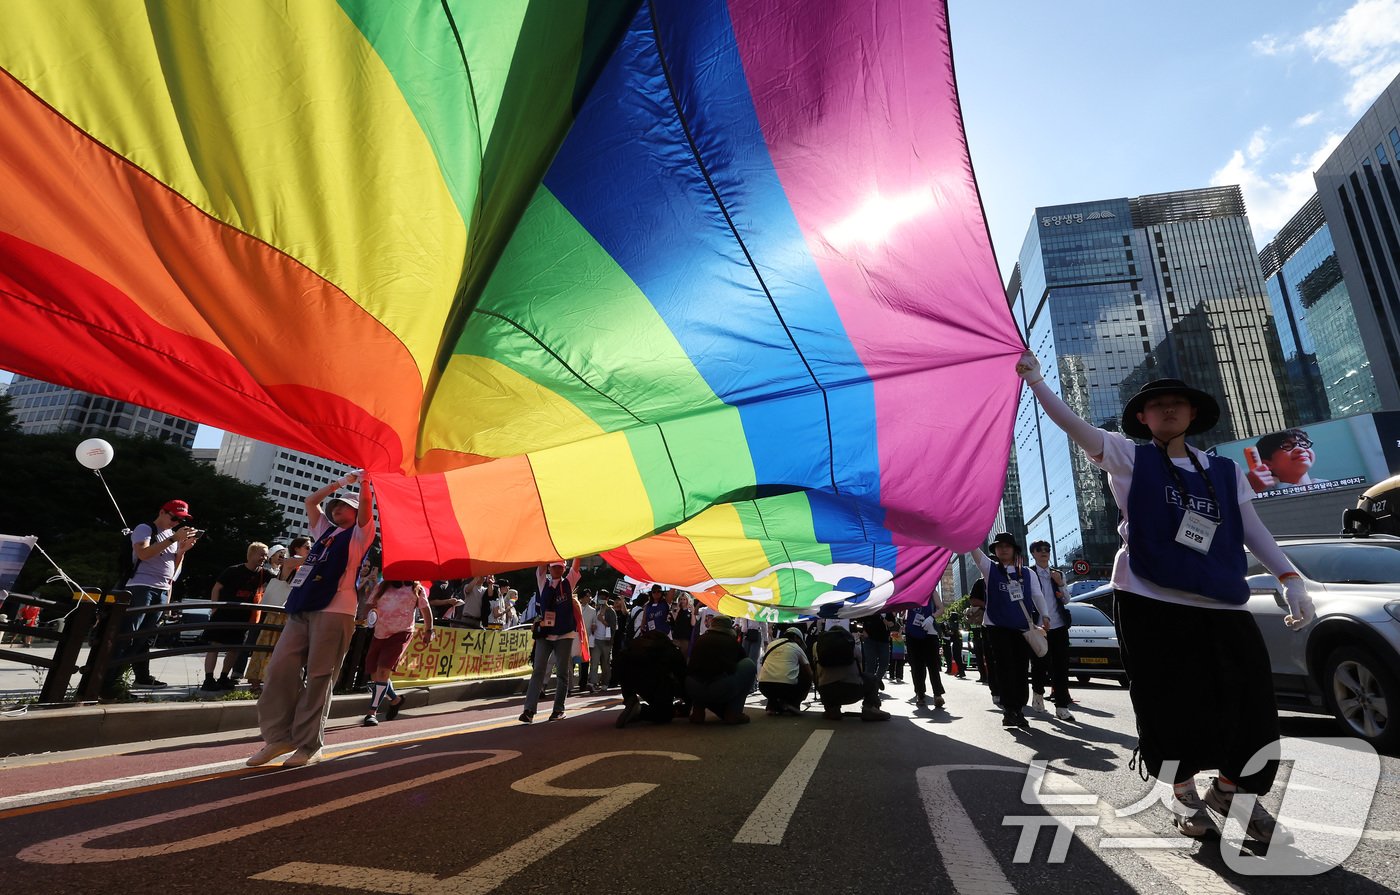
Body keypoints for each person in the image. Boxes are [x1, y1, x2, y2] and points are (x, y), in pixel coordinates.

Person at [1017, 351, 1313, 844]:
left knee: (1250, 702)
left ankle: (1231, 790)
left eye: (1178, 404)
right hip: (1150, 598)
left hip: (1221, 601)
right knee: (1170, 702)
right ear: (1143, 417)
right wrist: (1038, 383)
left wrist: (1289, 576)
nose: (1169, 410)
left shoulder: (1223, 471)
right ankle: (1183, 794)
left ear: (1193, 414)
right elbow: (1075, 426)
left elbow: (1250, 528)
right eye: (1158, 406)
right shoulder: (1127, 456)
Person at [246, 471, 374, 768]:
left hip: (336, 609)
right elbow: (311, 501)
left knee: (319, 677)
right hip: (302, 607)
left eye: (344, 506)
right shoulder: (325, 534)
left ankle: (308, 744)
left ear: (357, 511)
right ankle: (279, 737)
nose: (336, 508)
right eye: (335, 506)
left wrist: (365, 482)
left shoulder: (359, 535)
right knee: (278, 669)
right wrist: (341, 484)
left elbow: (367, 513)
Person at [104, 499, 201, 694]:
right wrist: (174, 540)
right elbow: (143, 554)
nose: (176, 522)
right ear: (162, 512)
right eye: (174, 517)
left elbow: (171, 571)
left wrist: (182, 550)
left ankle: (118, 682)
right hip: (141, 586)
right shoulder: (145, 528)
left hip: (161, 590)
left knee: (144, 640)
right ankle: (106, 683)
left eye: (180, 519)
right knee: (128, 637)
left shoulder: (170, 536)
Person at [967, 532, 1047, 729]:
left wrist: (1045, 616)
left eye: (1007, 546)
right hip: (997, 627)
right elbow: (975, 552)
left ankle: (1018, 708)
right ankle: (1009, 710)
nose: (1003, 549)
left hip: (1022, 628)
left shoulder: (1028, 573)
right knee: (1004, 668)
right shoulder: (990, 569)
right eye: (999, 546)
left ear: (1014, 550)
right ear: (994, 550)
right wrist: (967, 532)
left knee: (1020, 669)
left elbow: (1037, 595)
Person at [519, 559, 584, 723]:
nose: (557, 570)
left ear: (563, 569)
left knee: (562, 672)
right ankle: (529, 710)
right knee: (538, 670)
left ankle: (558, 710)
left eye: (560, 567)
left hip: (564, 634)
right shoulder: (543, 582)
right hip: (545, 633)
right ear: (549, 567)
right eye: (554, 567)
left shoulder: (568, 582)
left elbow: (576, 565)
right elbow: (540, 563)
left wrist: (578, 549)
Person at [361, 579, 432, 726]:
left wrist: (428, 631)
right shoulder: (382, 586)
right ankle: (395, 699)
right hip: (379, 633)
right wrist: (368, 615)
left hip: (401, 633)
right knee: (375, 674)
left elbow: (426, 610)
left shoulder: (416, 588)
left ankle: (371, 713)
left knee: (382, 672)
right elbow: (369, 605)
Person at [201, 542, 270, 691]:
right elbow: (217, 588)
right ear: (251, 554)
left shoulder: (264, 574)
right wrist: (215, 608)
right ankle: (208, 679)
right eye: (262, 554)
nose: (264, 557)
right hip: (224, 614)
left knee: (234, 648)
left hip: (244, 617)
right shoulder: (233, 570)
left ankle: (224, 677)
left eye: (266, 554)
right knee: (215, 646)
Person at [246, 537, 311, 694]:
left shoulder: (305, 565)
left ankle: (273, 681)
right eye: (307, 547)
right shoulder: (289, 562)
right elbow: (308, 560)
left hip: (292, 614)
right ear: (296, 548)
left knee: (283, 651)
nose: (310, 549)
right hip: (278, 613)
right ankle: (256, 682)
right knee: (267, 647)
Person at [1027, 540, 1074, 721]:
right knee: (1039, 665)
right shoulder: (1028, 574)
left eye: (1047, 549)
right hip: (1038, 628)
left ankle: (1062, 706)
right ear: (1033, 553)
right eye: (1039, 550)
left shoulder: (1058, 573)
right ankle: (1038, 693)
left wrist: (1060, 584)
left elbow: (1067, 600)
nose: (1044, 552)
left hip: (1059, 626)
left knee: (1061, 666)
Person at [684, 615, 756, 724]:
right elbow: (742, 661)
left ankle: (698, 711)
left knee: (698, 675)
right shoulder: (731, 642)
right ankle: (734, 712)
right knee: (749, 665)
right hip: (718, 687)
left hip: (693, 687)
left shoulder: (700, 639)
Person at [812, 624, 889, 721]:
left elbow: (815, 671)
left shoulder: (817, 646)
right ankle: (870, 708)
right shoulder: (853, 646)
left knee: (818, 677)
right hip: (852, 691)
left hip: (827, 692)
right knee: (872, 678)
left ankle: (831, 709)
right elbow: (860, 671)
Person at [615, 629, 687, 727]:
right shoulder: (670, 650)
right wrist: (688, 705)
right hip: (654, 681)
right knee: (665, 714)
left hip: (632, 678)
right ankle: (639, 710)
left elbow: (619, 668)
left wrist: (629, 696)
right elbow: (683, 678)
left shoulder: (632, 648)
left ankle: (632, 704)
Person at [758, 626, 811, 715]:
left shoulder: (772, 644)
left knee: (774, 674)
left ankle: (772, 705)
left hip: (764, 686)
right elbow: (809, 673)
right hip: (786, 688)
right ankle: (794, 704)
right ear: (795, 638)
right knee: (804, 673)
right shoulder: (796, 647)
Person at [904, 597, 944, 709]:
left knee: (933, 666)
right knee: (917, 666)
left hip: (929, 632)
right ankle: (920, 695)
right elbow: (901, 609)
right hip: (912, 633)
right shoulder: (910, 590)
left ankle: (937, 694)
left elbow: (941, 608)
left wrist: (932, 617)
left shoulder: (932, 590)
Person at [1246, 428, 1317, 492]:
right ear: (1267, 464)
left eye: (1304, 444)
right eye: (1287, 446)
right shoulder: (1269, 495)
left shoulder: (1323, 484)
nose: (1301, 449)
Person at [590, 589, 616, 691]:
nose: (601, 600)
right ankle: (593, 682)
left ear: (607, 599)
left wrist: (603, 621)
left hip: (606, 641)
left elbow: (613, 627)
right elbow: (593, 623)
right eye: (600, 597)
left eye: (603, 598)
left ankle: (605, 682)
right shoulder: (595, 610)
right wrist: (593, 627)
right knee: (594, 662)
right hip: (596, 639)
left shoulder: (611, 611)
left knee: (605, 663)